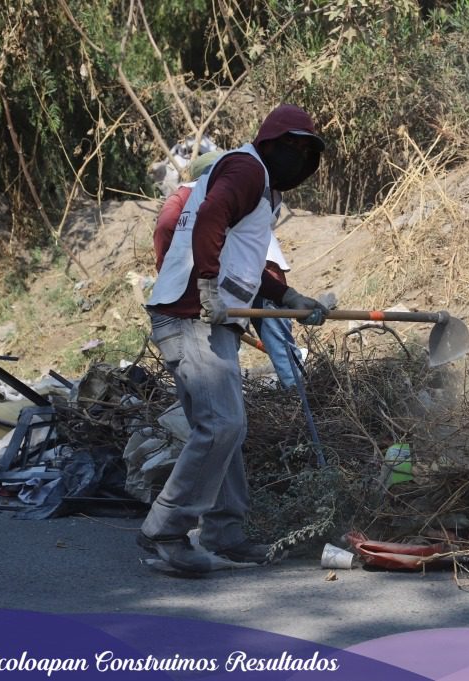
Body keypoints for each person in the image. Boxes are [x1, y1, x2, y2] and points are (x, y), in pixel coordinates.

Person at [140, 104, 328, 574]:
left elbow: (245, 264)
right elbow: (209, 217)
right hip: (190, 317)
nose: (300, 158)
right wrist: (205, 285)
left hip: (212, 320)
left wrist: (289, 295)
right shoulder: (246, 169)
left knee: (229, 426)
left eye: (308, 151)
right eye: (294, 147)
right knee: (220, 424)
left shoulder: (261, 187)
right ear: (272, 143)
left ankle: (226, 534)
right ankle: (165, 531)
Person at [154, 151, 305, 390]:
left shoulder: (188, 194)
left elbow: (165, 233)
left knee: (221, 356)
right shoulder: (246, 185)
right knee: (280, 345)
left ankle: (296, 395)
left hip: (238, 277)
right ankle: (300, 395)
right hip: (260, 274)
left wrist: (173, 283)